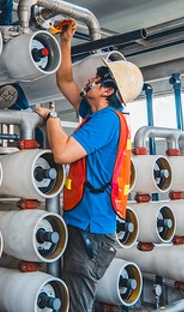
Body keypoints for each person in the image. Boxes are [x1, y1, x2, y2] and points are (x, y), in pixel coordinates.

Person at [34, 19, 144, 312]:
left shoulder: (105, 121)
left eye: (95, 80)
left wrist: (51, 119)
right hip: (84, 223)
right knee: (73, 293)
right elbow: (65, 82)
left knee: (79, 301)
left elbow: (62, 154)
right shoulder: (96, 114)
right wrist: (65, 42)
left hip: (92, 231)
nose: (89, 81)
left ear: (107, 91)